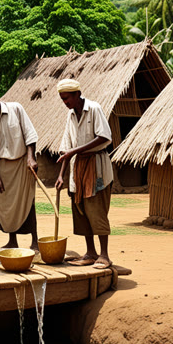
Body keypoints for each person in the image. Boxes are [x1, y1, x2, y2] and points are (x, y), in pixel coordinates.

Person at [55, 78, 113, 269]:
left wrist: (76, 151)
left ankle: (104, 255)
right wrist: (61, 176)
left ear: (78, 94)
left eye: (67, 98)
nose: (65, 103)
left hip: (96, 166)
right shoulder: (70, 115)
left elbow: (104, 136)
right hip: (77, 168)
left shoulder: (94, 109)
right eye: (62, 99)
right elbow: (66, 148)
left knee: (96, 211)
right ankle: (90, 252)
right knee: (81, 210)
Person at [0, 84, 39, 250]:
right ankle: (12, 241)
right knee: (6, 206)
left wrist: (31, 158)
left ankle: (35, 241)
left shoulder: (16, 109)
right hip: (2, 168)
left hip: (22, 164)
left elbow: (30, 134)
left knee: (28, 202)